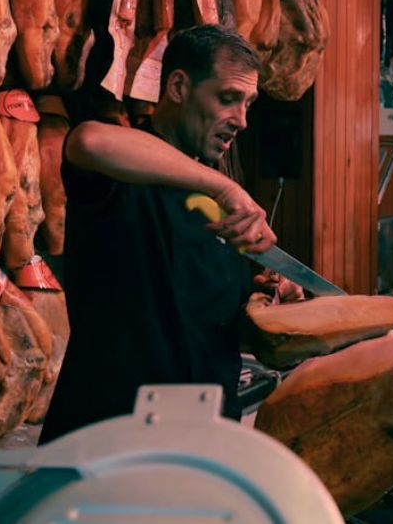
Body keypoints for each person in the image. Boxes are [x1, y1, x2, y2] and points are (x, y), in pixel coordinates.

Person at [41, 26, 291, 444]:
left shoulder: (218, 211)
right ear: (178, 86)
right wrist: (223, 186)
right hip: (108, 440)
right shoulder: (121, 173)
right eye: (228, 98)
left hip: (201, 444)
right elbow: (88, 140)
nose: (242, 120)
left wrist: (266, 300)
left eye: (248, 104)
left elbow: (215, 329)